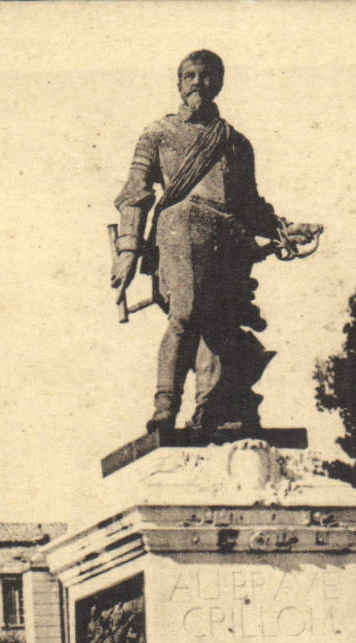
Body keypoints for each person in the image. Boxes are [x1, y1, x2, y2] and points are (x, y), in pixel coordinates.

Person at [112, 50, 288, 435]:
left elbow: (251, 203)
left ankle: (213, 409)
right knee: (187, 317)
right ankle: (164, 408)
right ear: (178, 83)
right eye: (188, 75)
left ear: (219, 82)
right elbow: (135, 193)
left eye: (206, 76)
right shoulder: (157, 133)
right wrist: (128, 250)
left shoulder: (236, 143)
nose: (197, 82)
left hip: (228, 239)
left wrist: (284, 230)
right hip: (178, 232)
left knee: (223, 325)